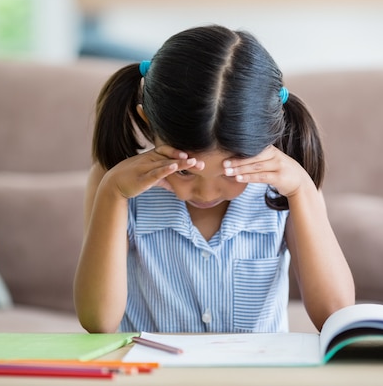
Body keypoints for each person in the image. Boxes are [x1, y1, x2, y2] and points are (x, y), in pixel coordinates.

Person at [74, 25, 355, 334]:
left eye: (230, 173)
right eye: (184, 171)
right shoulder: (115, 184)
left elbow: (335, 314)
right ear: (147, 122)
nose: (206, 191)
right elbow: (98, 322)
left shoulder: (288, 190)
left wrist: (304, 192)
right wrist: (112, 193)